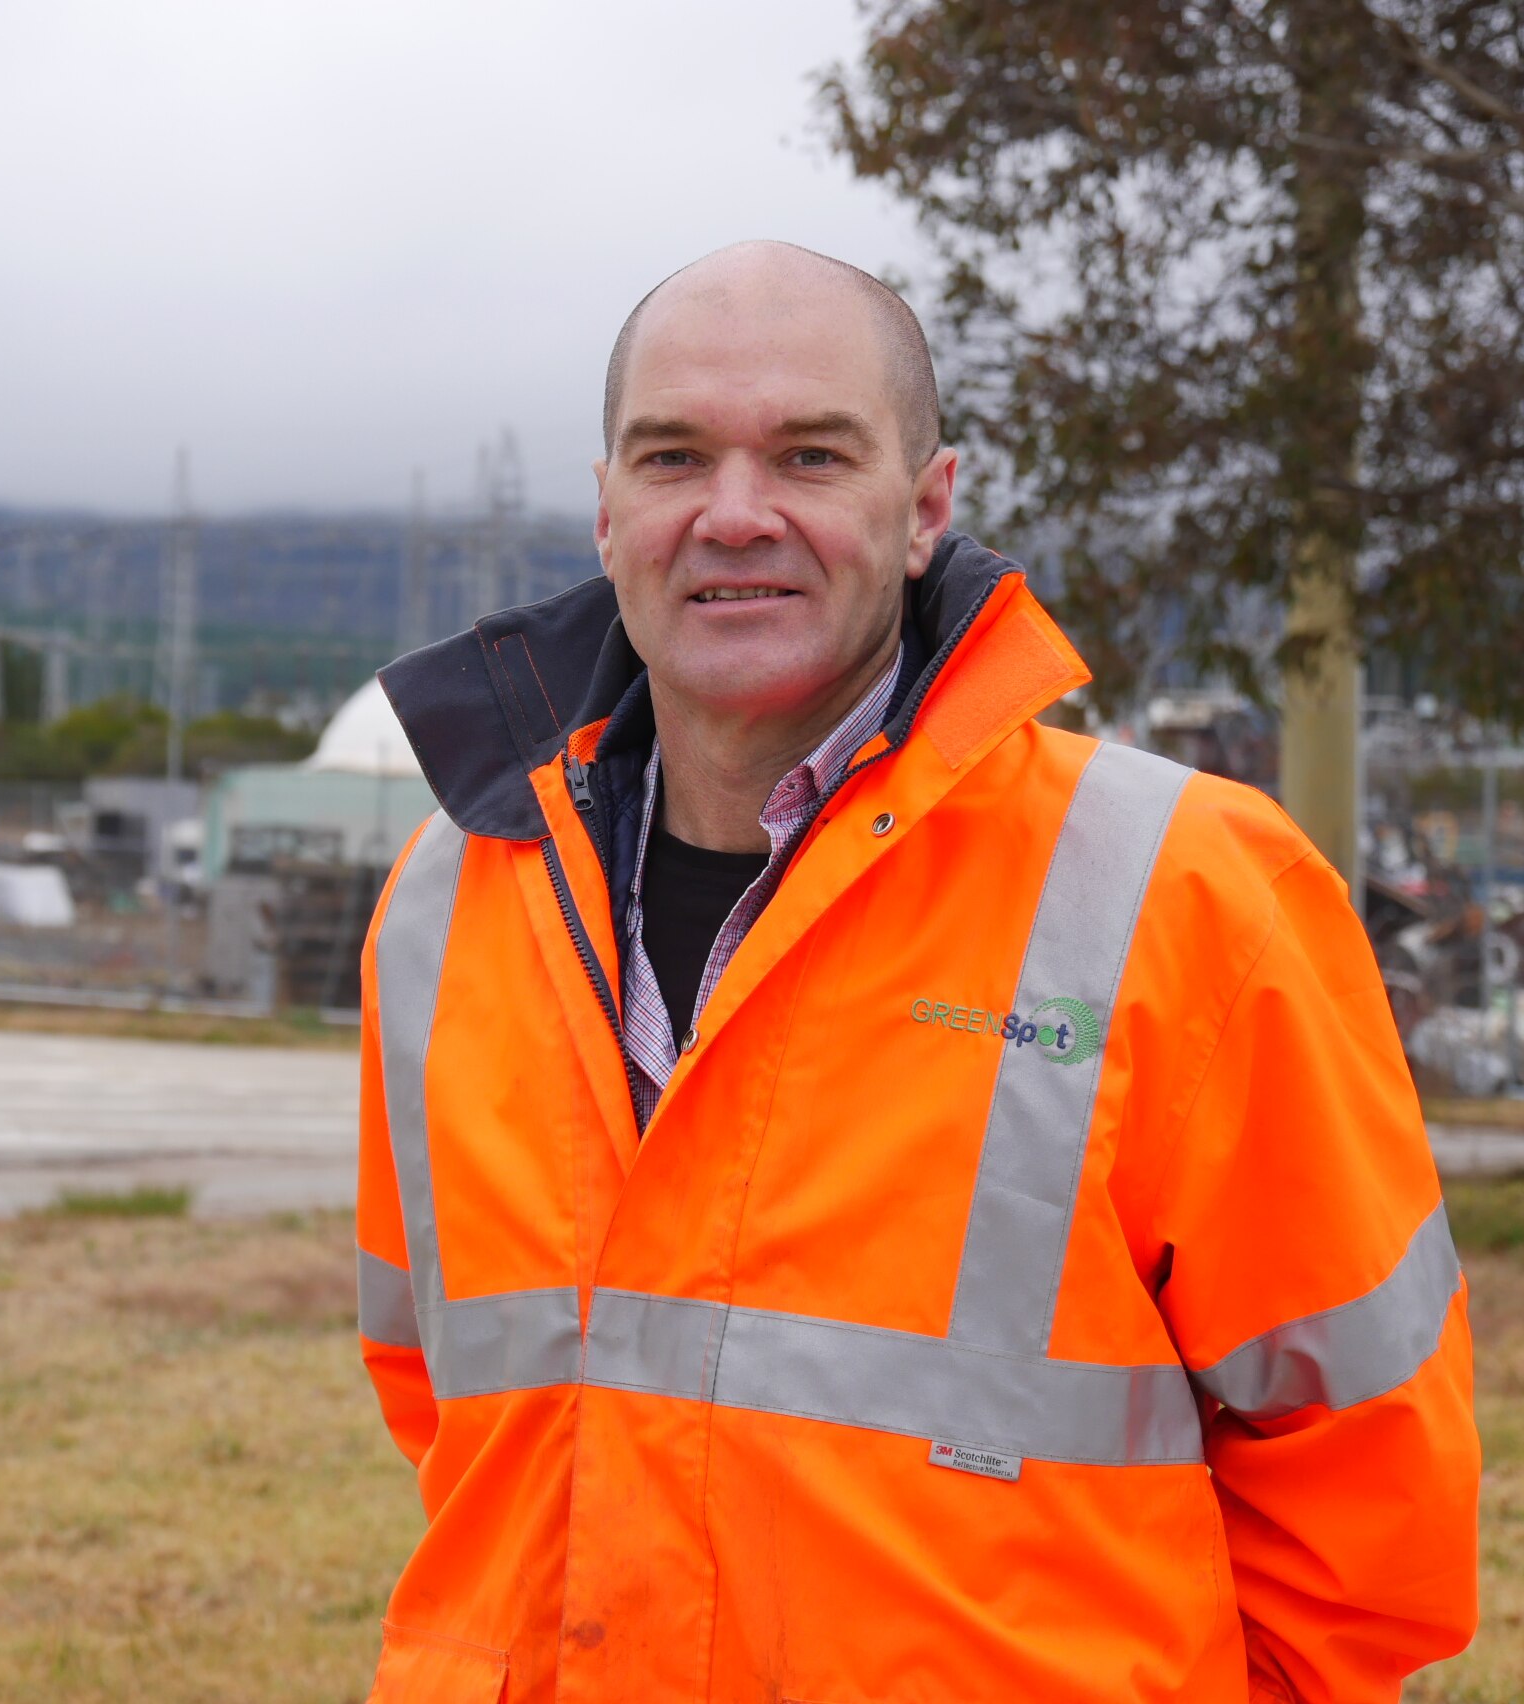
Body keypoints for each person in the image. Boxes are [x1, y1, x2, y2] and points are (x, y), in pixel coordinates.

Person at [354, 241, 1477, 1703]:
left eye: (811, 457)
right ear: (608, 510)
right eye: (675, 456)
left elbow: (1367, 1486)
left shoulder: (1185, 893)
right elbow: (455, 1402)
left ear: (926, 509)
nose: (734, 514)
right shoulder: (447, 900)